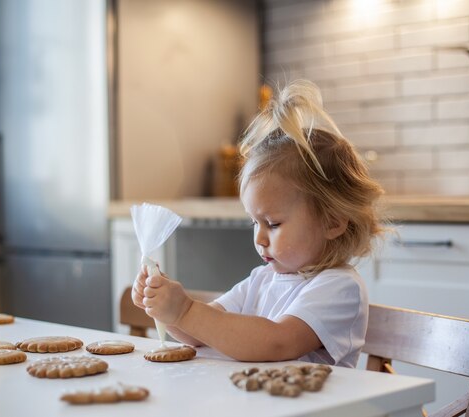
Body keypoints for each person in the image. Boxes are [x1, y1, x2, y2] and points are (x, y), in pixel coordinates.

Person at [131, 79, 385, 367]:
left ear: (333, 222)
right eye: (254, 222)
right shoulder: (261, 280)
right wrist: (168, 310)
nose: (259, 238)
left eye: (273, 224)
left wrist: (186, 311)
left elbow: (276, 342)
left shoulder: (339, 287)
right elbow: (200, 335)